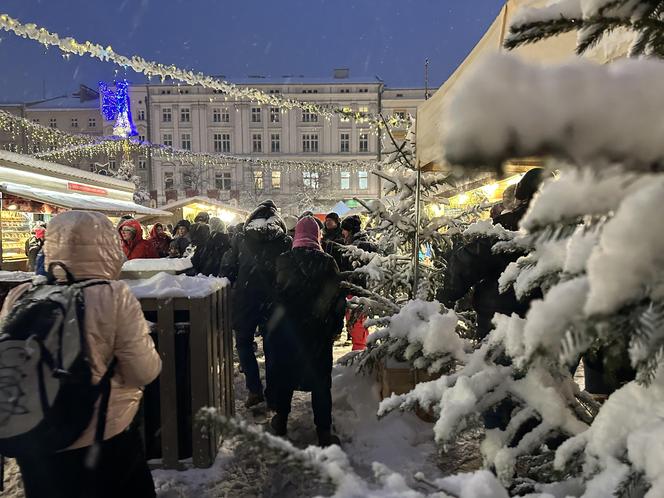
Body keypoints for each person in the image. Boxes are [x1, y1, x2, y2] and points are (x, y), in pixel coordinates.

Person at [2, 210, 162, 498]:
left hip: (36, 439)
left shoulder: (21, 294)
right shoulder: (113, 296)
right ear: (107, 248)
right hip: (102, 437)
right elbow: (143, 370)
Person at [437, 168, 549, 339]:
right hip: (550, 321)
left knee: (496, 363)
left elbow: (469, 259)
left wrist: (448, 294)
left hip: (499, 317)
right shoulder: (566, 230)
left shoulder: (505, 227)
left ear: (521, 195)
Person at [266, 217, 345, 446]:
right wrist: (335, 327)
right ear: (317, 236)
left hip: (289, 332)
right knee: (321, 382)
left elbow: (275, 297)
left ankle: (280, 420)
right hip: (317, 332)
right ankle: (323, 431)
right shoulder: (328, 262)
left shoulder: (282, 260)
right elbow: (338, 300)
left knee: (285, 375)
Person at [220, 200, 292, 407]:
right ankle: (272, 392)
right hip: (273, 301)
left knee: (243, 343)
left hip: (246, 298)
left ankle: (254, 389)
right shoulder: (284, 241)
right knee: (272, 347)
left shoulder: (241, 238)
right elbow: (287, 273)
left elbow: (228, 267)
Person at [339, 215, 378, 350]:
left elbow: (353, 269)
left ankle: (359, 352)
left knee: (357, 325)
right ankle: (360, 348)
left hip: (356, 290)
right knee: (356, 325)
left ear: (350, 230)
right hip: (356, 290)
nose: (342, 232)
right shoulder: (360, 243)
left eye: (344, 229)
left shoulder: (358, 246)